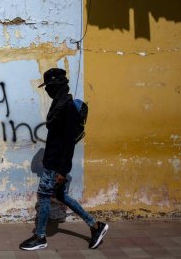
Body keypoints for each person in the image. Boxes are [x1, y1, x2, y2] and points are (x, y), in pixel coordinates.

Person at [20, 68, 108, 251]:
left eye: (49, 86)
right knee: (59, 195)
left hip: (56, 164)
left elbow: (69, 143)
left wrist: (62, 171)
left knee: (44, 196)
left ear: (58, 86)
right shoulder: (58, 104)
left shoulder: (67, 109)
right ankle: (95, 226)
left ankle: (40, 236)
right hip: (52, 161)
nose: (47, 90)